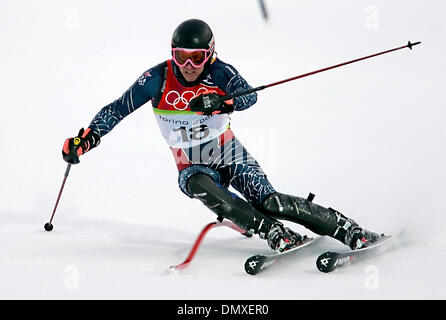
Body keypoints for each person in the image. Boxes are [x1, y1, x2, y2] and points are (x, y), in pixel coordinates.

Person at [62, 19, 381, 253]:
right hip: (191, 162)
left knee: (268, 201)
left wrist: (223, 102)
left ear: (210, 54)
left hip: (227, 151)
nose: (188, 66)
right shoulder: (156, 78)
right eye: (181, 57)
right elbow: (117, 110)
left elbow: (249, 97)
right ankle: (273, 233)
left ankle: (347, 229)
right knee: (198, 185)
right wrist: (86, 140)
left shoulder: (220, 72)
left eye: (197, 58)